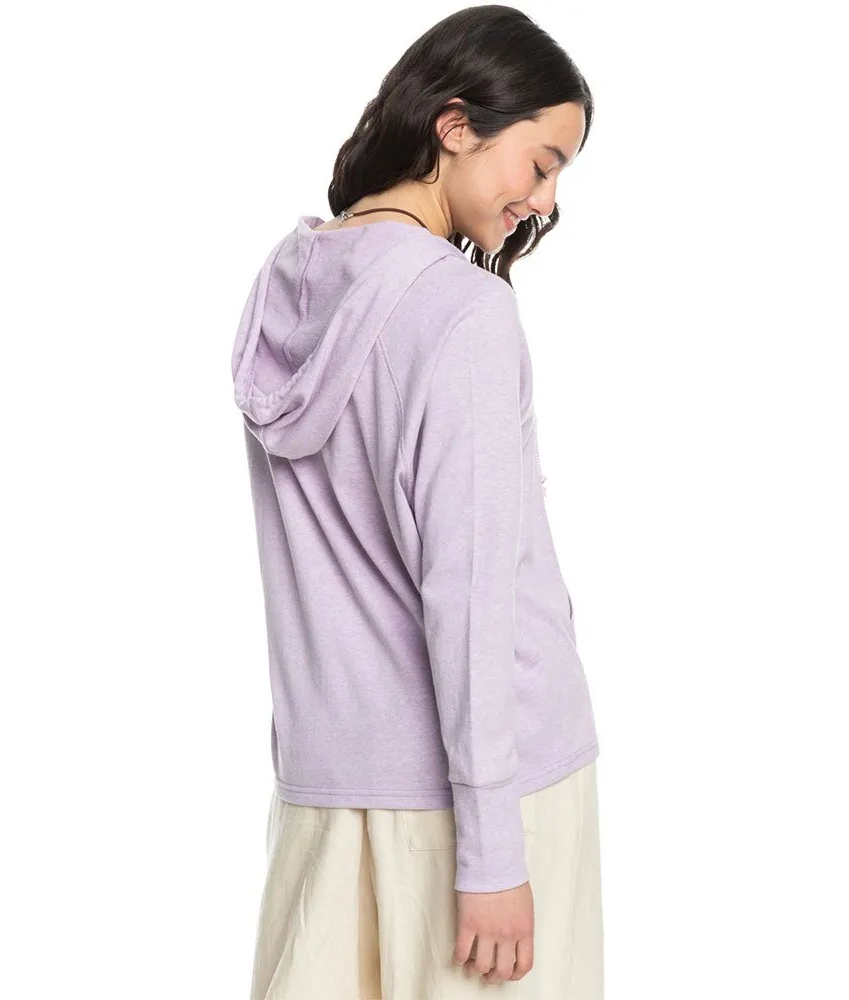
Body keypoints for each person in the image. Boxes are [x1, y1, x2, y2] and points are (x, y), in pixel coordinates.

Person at [231, 6, 602, 997]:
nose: (546, 201)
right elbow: (470, 591)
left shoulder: (288, 285)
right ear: (455, 125)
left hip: (327, 792)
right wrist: (493, 854)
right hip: (488, 796)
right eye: (541, 163)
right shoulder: (462, 311)